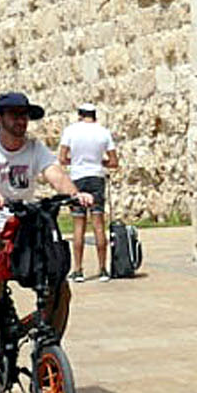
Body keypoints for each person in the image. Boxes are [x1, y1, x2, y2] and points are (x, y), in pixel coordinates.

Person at [0, 93, 93, 368]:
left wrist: (75, 194)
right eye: (15, 114)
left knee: (58, 287)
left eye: (24, 114)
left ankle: (48, 348)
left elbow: (55, 174)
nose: (22, 120)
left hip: (22, 229)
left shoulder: (34, 148)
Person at [57, 102, 120, 282]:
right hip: (97, 178)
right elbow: (114, 161)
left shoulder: (71, 131)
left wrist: (76, 162)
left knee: (79, 225)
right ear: (94, 115)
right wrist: (99, 163)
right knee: (98, 223)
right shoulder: (103, 132)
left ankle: (78, 270)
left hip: (77, 178)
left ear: (80, 115)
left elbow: (62, 158)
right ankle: (102, 269)